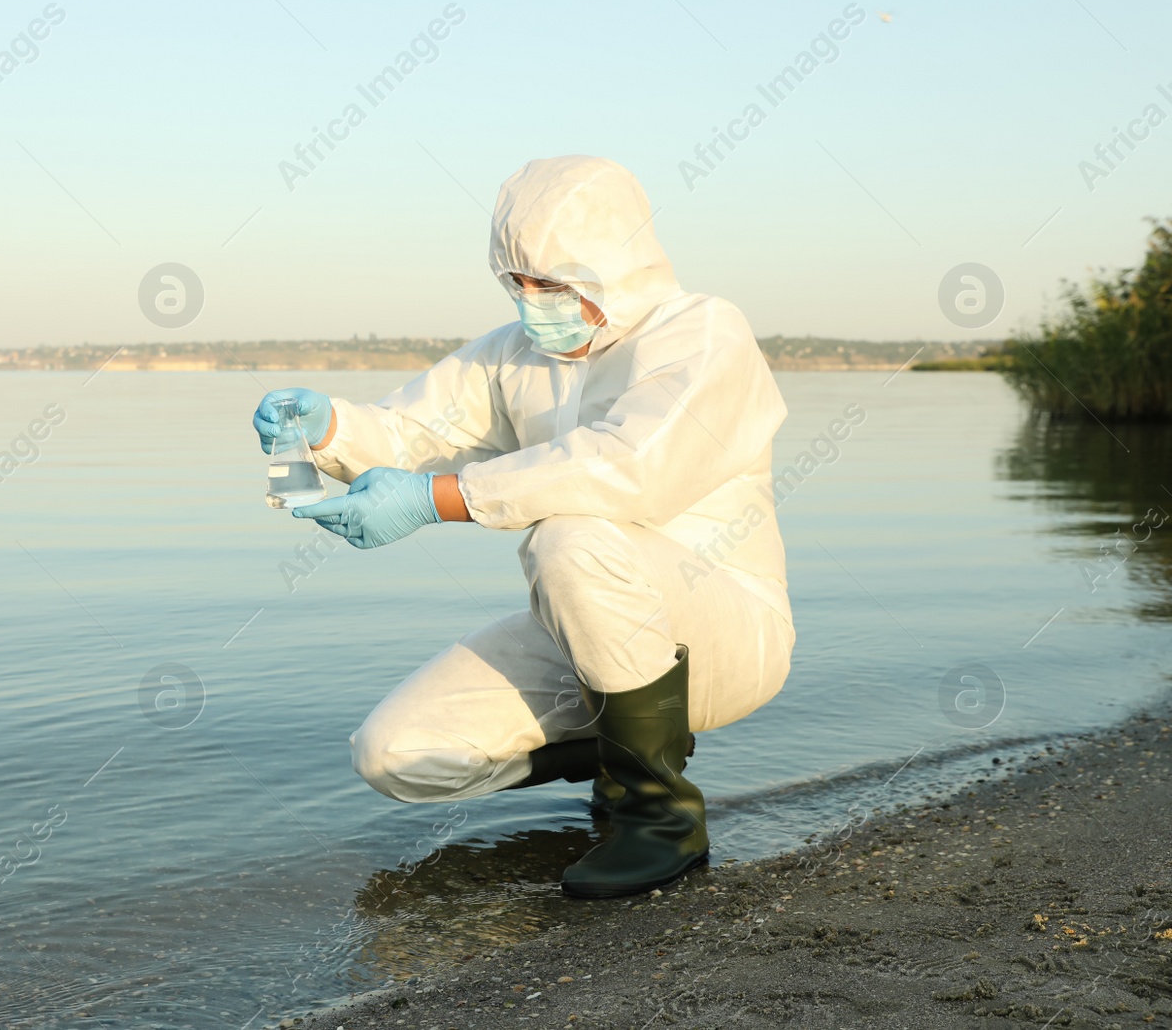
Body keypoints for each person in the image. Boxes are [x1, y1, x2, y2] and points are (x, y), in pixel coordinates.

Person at [250, 155, 795, 899]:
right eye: (521, 283)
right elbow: (413, 432)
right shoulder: (515, 354)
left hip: (722, 625)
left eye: (557, 285)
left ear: (618, 266)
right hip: (587, 620)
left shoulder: (701, 335)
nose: (536, 303)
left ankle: (660, 817)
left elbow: (625, 468)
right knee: (395, 754)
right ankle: (624, 749)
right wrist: (328, 427)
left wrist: (434, 499)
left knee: (570, 532)